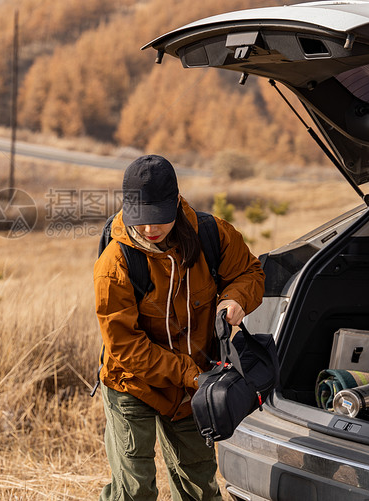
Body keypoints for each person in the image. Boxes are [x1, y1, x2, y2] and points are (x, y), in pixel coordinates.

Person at [94, 154, 265, 501]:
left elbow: (250, 273)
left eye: (158, 218)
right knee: (135, 491)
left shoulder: (213, 235)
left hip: (193, 389)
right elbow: (126, 348)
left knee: (199, 489)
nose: (149, 229)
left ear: (176, 202)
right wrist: (190, 375)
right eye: (140, 219)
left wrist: (235, 299)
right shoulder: (114, 265)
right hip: (133, 384)